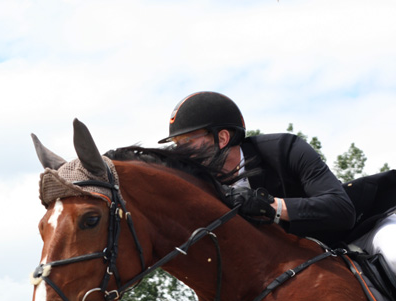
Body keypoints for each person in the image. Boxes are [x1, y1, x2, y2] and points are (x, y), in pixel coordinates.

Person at [159, 91, 396, 273]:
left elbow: (341, 211)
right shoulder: (205, 188)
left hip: (364, 228)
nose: (181, 151)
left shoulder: (284, 150)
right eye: (178, 144)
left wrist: (272, 207)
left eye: (188, 141)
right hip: (303, 262)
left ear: (222, 138)